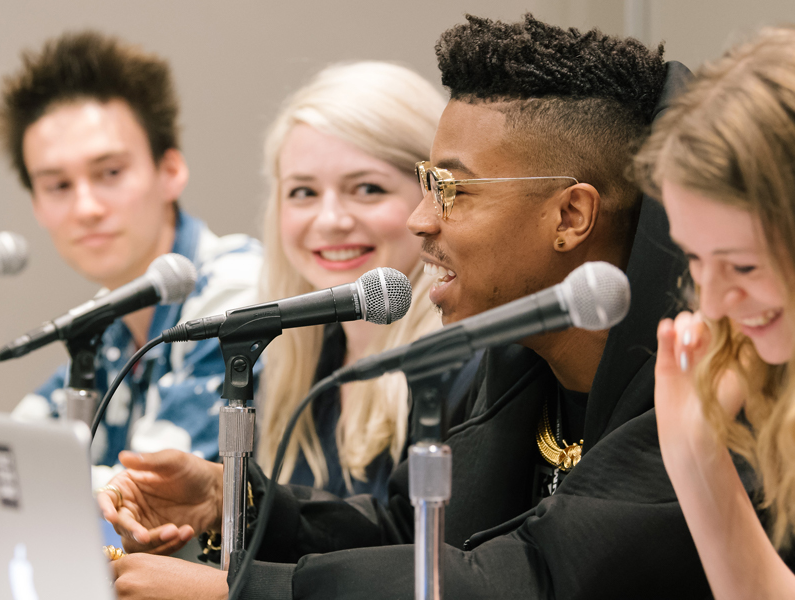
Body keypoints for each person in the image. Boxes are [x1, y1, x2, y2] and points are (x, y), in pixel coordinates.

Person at [99, 15, 713, 600]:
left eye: (451, 190)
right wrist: (235, 500)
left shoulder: (701, 386)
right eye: (426, 184)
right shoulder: (521, 361)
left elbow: (537, 578)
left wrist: (248, 591)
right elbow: (411, 531)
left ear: (570, 216)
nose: (420, 222)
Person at [0, 31, 263, 488]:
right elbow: (15, 461)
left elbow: (150, 492)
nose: (86, 207)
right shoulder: (105, 327)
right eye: (58, 186)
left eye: (110, 173)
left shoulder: (239, 283)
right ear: (37, 206)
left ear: (170, 171)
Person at [633, 27, 795, 599]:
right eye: (695, 259)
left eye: (744, 267)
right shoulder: (750, 373)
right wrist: (693, 454)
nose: (712, 303)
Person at [255, 61, 444, 502]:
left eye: (368, 189)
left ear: (433, 197)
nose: (331, 220)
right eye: (304, 192)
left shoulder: (458, 371)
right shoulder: (295, 361)